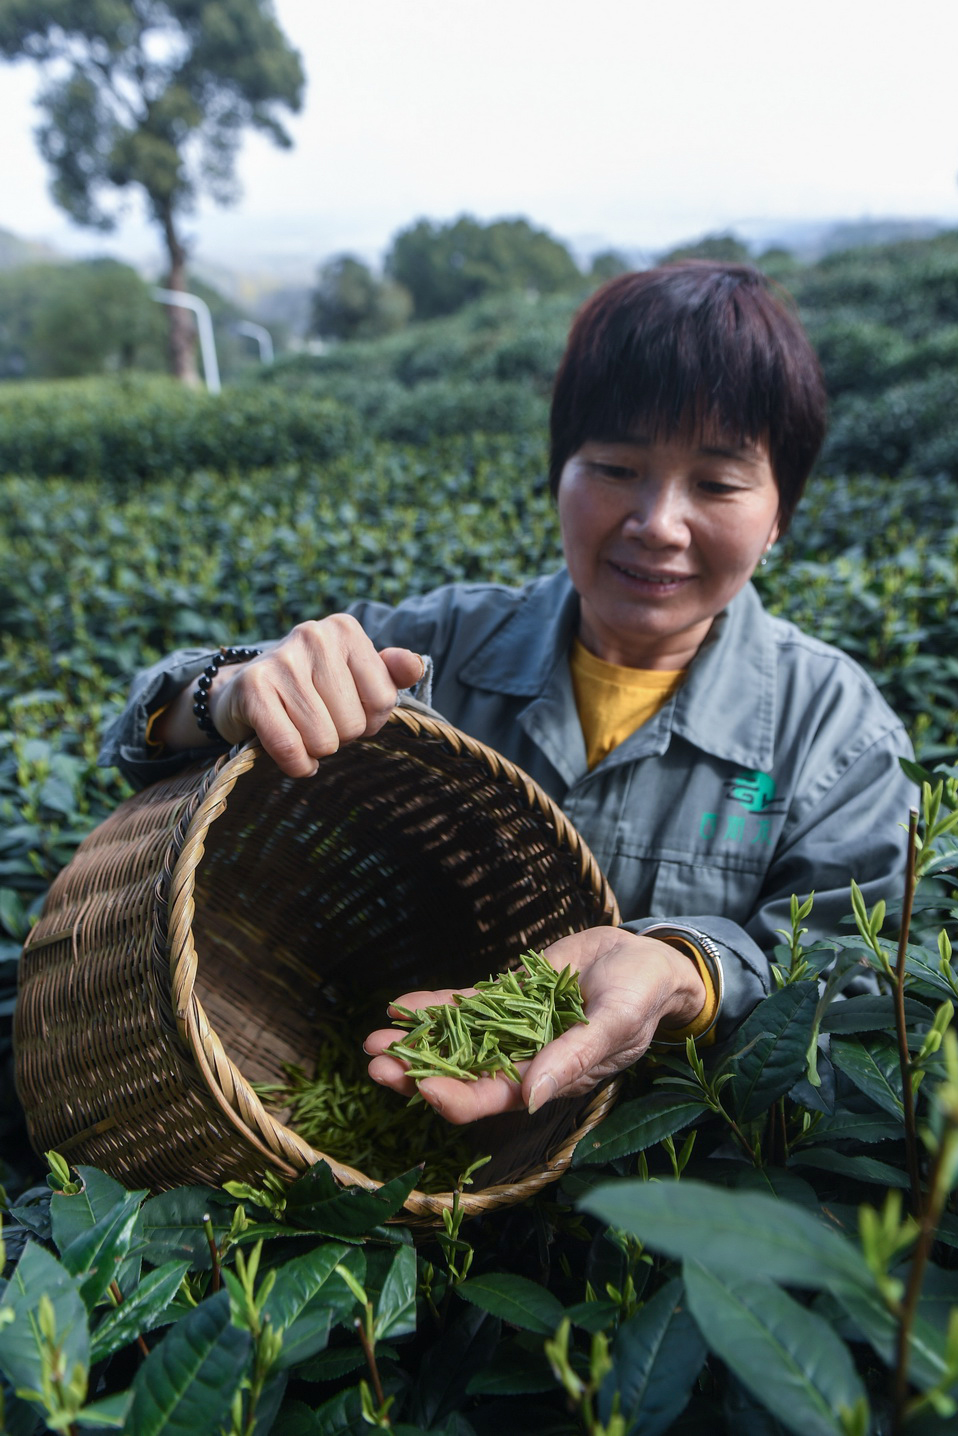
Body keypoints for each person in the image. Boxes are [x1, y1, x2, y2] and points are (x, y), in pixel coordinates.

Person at [100, 261, 915, 1127]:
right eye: (614, 467)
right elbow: (144, 724)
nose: (657, 524)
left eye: (716, 484)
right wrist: (227, 690)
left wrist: (688, 973)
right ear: (559, 471)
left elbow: (848, 983)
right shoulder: (442, 644)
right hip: (386, 1109)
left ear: (781, 511)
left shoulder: (837, 734)